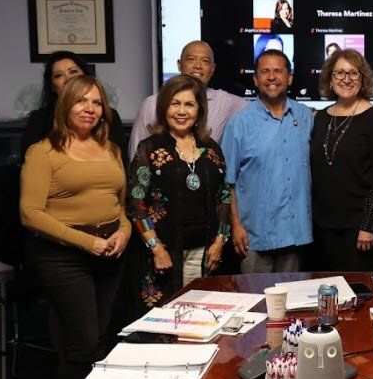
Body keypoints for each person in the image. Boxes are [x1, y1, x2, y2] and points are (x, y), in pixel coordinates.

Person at [19, 75, 131, 379]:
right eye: (81, 100)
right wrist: (88, 242)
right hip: (65, 257)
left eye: (97, 102)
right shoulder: (43, 153)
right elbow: (30, 214)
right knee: (82, 343)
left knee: (100, 338)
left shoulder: (110, 149)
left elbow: (120, 206)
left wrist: (123, 233)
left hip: (110, 253)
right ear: (65, 104)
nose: (90, 108)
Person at [127, 75, 232, 312]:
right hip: (163, 254)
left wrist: (219, 241)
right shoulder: (150, 148)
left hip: (204, 253)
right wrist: (156, 247)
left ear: (199, 110)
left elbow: (224, 196)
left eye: (189, 104)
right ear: (164, 107)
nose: (181, 111)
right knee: (165, 325)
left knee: (199, 321)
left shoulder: (211, 148)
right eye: (175, 103)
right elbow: (135, 202)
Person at [221, 50, 314, 272]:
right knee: (256, 303)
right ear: (255, 79)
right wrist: (235, 226)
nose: (272, 77)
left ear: (289, 78)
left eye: (278, 71)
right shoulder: (239, 123)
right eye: (265, 72)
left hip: (296, 233)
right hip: (254, 238)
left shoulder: (305, 117)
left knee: (293, 304)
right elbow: (227, 182)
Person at [311, 49, 373, 272]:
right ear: (330, 79)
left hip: (359, 228)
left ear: (363, 79)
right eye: (339, 73)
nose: (346, 79)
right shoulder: (321, 118)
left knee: (358, 296)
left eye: (353, 73)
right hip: (322, 226)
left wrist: (369, 226)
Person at [129, 40, 247, 151]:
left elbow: (259, 109)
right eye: (191, 59)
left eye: (205, 61)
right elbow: (136, 152)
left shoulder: (224, 101)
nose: (198, 66)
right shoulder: (152, 103)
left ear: (212, 69)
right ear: (179, 65)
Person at [21, 51, 127, 159]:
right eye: (58, 75)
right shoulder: (39, 119)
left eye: (73, 71)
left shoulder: (109, 116)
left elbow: (122, 163)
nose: (68, 79)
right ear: (52, 86)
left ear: (86, 77)